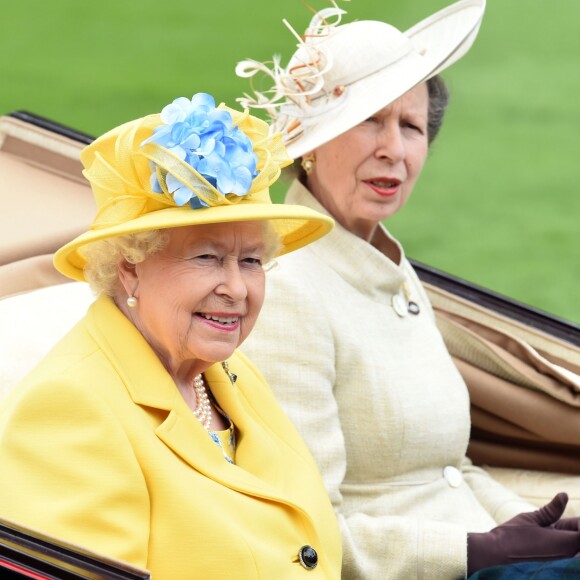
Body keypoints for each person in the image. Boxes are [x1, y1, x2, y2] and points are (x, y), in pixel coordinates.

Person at [236, 1, 580, 578]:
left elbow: (451, 468)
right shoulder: (286, 289)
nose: (394, 148)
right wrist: (483, 552)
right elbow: (307, 532)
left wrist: (539, 530)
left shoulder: (387, 267)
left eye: (412, 127)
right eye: (371, 119)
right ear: (310, 143)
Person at [0, 93, 342, 579]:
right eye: (206, 257)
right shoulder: (68, 409)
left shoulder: (227, 373)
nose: (237, 288)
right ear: (130, 269)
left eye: (250, 261)